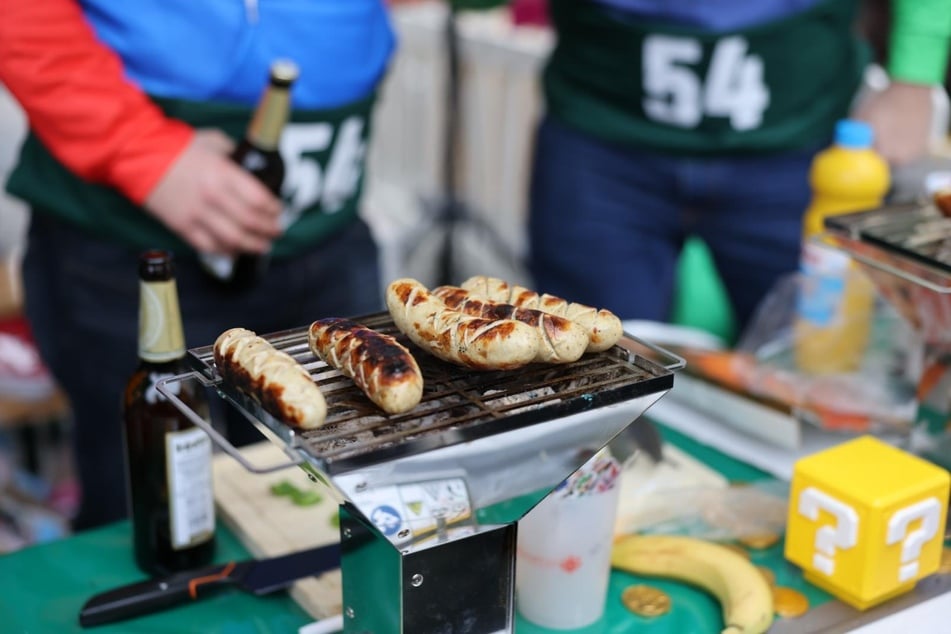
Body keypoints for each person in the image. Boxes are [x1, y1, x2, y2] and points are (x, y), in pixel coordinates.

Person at [0, 0, 407, 530]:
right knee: (153, 515)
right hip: (127, 248)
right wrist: (138, 148)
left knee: (336, 507)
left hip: (327, 228)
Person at [527, 0, 951, 337]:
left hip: (796, 142)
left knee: (811, 363)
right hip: (599, 133)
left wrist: (914, 75)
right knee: (583, 362)